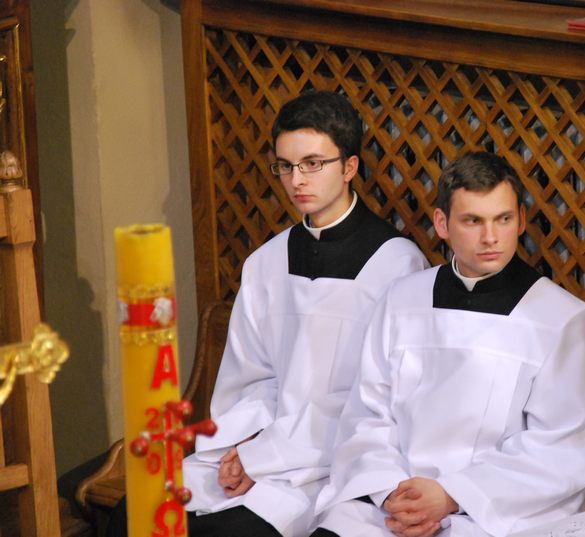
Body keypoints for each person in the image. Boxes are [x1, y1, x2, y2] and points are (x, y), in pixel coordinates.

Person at [106, 90, 428, 537]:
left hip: (329, 463)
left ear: (349, 166)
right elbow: (249, 379)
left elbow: (378, 402)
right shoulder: (266, 262)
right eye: (286, 166)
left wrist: (267, 456)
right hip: (259, 446)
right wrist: (242, 445)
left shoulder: (396, 265)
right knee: (135, 510)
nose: (297, 180)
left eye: (313, 164)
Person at [311, 151, 585, 537]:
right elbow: (368, 412)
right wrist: (393, 493)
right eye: (473, 221)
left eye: (503, 219)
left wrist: (452, 494)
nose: (491, 238)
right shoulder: (401, 301)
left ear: (521, 220)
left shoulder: (560, 318)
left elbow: (562, 448)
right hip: (395, 501)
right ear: (442, 223)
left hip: (493, 514)